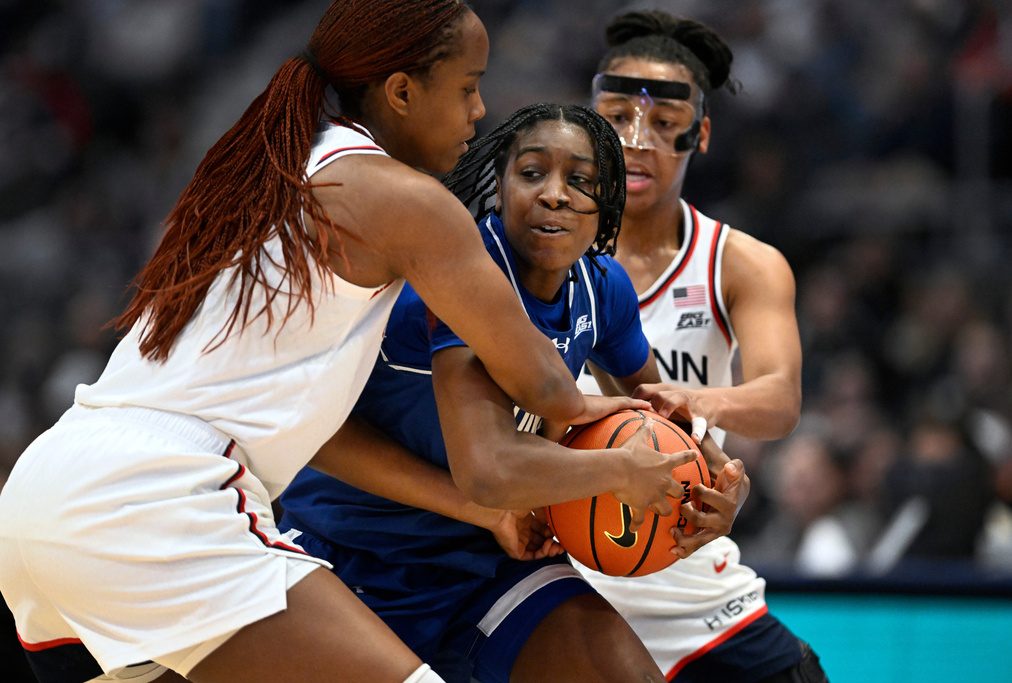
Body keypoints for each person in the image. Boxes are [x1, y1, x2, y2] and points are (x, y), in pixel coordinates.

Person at [0, 3, 628, 682]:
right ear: (402, 91)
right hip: (163, 497)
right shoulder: (406, 201)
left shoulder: (267, 168)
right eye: (468, 86)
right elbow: (546, 388)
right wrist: (649, 457)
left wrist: (481, 512)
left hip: (47, 494)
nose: (480, 111)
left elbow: (323, 438)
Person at [277, 102, 747, 683]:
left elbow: (655, 414)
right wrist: (580, 482)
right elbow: (319, 437)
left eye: (579, 180)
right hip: (342, 547)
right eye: (532, 173)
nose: (553, 194)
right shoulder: (449, 281)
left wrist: (712, 484)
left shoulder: (602, 289)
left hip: (486, 561)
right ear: (498, 187)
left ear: (607, 208)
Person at [574, 10, 829, 682]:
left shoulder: (741, 262)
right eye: (619, 113)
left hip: (685, 565)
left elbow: (780, 399)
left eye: (663, 124)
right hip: (555, 574)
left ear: (702, 133)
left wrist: (693, 399)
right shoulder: (527, 253)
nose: (638, 139)